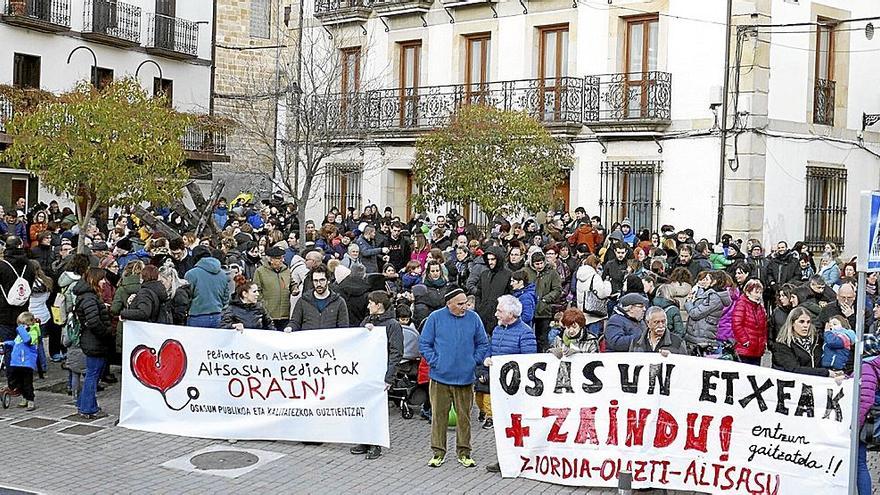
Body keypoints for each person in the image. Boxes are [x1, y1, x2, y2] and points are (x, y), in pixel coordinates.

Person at [419, 288, 489, 469]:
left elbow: (482, 343)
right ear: (448, 303)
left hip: (465, 379)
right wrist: (436, 362)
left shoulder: (474, 319)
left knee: (464, 418)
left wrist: (473, 361)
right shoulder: (435, 318)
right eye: (459, 304)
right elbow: (424, 343)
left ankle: (464, 452)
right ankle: (438, 452)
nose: (464, 306)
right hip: (440, 377)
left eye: (465, 302)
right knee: (438, 417)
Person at [482, 294, 538, 474]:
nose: (496, 314)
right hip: (500, 388)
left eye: (500, 310)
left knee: (518, 425)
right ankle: (504, 458)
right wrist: (487, 359)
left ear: (511, 313)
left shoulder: (525, 332)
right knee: (502, 424)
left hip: (517, 389)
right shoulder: (498, 330)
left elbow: (529, 361)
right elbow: (490, 350)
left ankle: (522, 459)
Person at [350, 291, 404, 460]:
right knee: (365, 406)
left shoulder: (392, 325)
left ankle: (376, 444)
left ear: (379, 305)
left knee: (377, 409)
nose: (368, 306)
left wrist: (390, 377)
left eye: (371, 303)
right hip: (367, 371)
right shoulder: (367, 321)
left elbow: (396, 352)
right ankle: (364, 440)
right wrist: (365, 332)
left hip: (380, 373)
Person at [74, 268, 113, 419]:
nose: (105, 282)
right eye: (102, 279)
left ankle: (83, 404)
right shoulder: (89, 298)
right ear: (95, 280)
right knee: (93, 374)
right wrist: (106, 331)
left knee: (92, 374)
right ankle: (89, 408)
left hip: (92, 340)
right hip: (94, 341)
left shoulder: (87, 296)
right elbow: (93, 322)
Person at [771, 306, 842, 378]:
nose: (805, 325)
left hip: (817, 385)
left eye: (808, 322)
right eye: (801, 322)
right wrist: (825, 372)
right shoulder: (782, 345)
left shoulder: (817, 341)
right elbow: (794, 369)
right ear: (792, 323)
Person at [289, 265, 349, 331]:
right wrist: (290, 328)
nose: (318, 284)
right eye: (315, 281)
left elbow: (343, 327)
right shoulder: (303, 301)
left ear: (328, 280)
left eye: (322, 280)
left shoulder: (339, 302)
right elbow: (295, 322)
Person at [684, 271, 732, 351]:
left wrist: (688, 302)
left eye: (707, 279)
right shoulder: (708, 293)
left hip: (702, 337)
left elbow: (695, 314)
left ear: (714, 282)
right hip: (698, 334)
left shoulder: (714, 298)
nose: (704, 281)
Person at [184, 246, 230, 328]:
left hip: (197, 316)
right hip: (218, 315)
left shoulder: (191, 274)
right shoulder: (223, 274)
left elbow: (186, 297)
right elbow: (226, 297)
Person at [857, 335, 880, 495]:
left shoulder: (866, 367)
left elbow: (865, 400)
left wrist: (854, 426)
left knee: (859, 463)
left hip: (866, 423)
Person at [4, 311, 40, 410]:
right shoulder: (20, 334)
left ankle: (30, 400)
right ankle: (24, 397)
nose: (20, 326)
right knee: (19, 381)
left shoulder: (33, 332)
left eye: (22, 324)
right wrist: (6, 343)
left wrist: (21, 330)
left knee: (27, 382)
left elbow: (28, 341)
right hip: (17, 361)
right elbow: (16, 343)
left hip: (26, 362)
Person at [527, 252, 562, 351]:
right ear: (532, 264)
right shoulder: (527, 272)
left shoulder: (552, 273)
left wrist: (546, 299)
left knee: (543, 338)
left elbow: (557, 289)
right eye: (537, 264)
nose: (539, 266)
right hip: (529, 308)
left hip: (544, 310)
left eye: (541, 263)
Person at [473, 246, 511, 336]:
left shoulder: (508, 275)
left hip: (499, 318)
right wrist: (479, 307)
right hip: (483, 316)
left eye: (493, 259)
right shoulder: (484, 274)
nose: (490, 262)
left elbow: (510, 296)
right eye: (488, 259)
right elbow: (478, 293)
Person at [253, 246, 292, 331]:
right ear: (270, 260)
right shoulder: (260, 271)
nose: (282, 260)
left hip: (285, 314)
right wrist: (263, 305)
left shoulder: (287, 270)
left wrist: (295, 288)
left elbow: (291, 283)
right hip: (269, 314)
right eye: (279, 258)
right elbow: (257, 290)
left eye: (282, 258)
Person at [730, 278, 767, 365]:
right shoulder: (742, 304)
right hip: (744, 349)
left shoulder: (760, 307)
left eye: (760, 293)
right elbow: (737, 324)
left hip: (757, 349)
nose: (759, 295)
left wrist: (763, 343)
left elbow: (764, 328)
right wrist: (745, 341)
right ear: (748, 292)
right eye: (756, 292)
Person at [575, 254, 612, 336]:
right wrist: (607, 283)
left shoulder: (580, 276)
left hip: (583, 312)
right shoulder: (595, 277)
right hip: (594, 315)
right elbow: (603, 294)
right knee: (594, 338)